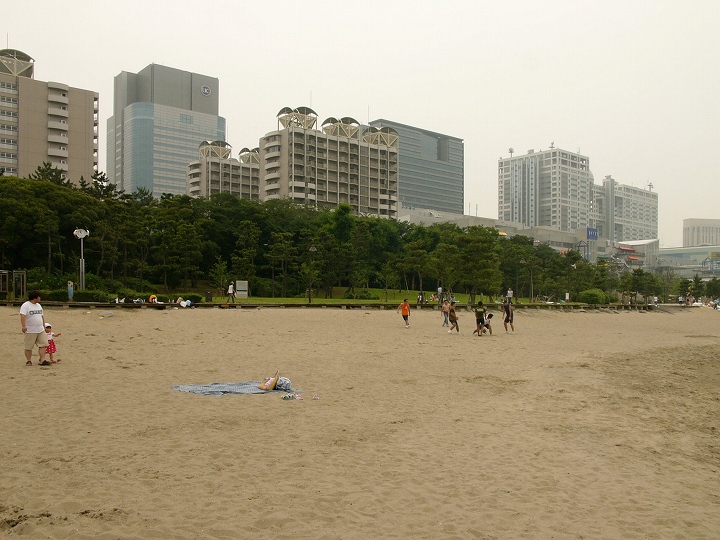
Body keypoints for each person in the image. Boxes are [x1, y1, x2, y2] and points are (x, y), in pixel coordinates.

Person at [19, 290, 50, 366]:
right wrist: (23, 326)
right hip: (30, 330)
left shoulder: (39, 305)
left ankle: (42, 359)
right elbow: (23, 315)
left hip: (40, 329)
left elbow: (41, 316)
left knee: (43, 344)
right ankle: (29, 360)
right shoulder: (26, 305)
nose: (40, 298)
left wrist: (43, 326)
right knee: (29, 346)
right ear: (35, 297)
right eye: (39, 296)